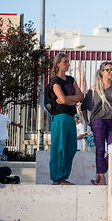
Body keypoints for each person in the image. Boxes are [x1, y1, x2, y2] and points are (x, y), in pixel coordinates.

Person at [47, 53, 83, 185]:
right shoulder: (55, 81)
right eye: (65, 62)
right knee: (59, 147)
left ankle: (63, 177)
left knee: (71, 148)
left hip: (70, 116)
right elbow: (61, 100)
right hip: (60, 116)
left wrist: (68, 100)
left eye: (68, 62)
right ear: (57, 64)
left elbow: (81, 96)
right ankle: (57, 178)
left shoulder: (71, 79)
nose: (68, 64)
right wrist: (71, 100)